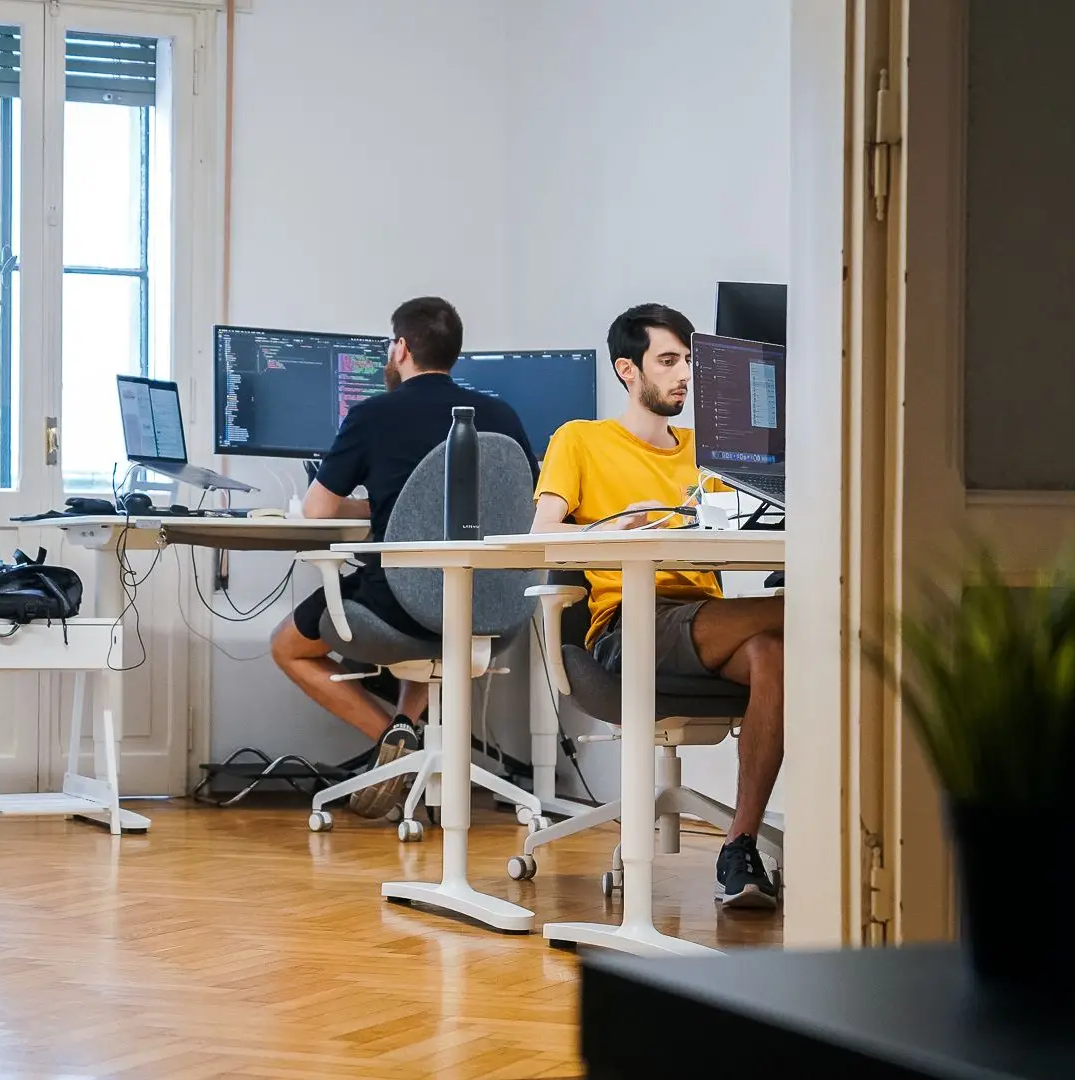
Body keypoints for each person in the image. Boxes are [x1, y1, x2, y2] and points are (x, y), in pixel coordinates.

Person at [532, 302, 783, 909]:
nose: (685, 375)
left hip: (703, 621)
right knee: (826, 605)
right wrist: (609, 529)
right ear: (628, 370)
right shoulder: (581, 439)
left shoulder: (707, 451)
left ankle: (739, 845)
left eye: (689, 361)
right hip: (630, 625)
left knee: (773, 654)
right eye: (668, 361)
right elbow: (543, 532)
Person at [270, 296, 538, 818]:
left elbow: (317, 510)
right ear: (454, 352)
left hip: (401, 604)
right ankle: (406, 729)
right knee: (434, 594)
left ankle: (395, 741)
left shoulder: (372, 415)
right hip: (493, 609)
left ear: (400, 348)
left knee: (287, 647)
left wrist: (366, 502)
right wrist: (387, 504)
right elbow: (523, 501)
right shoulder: (500, 415)